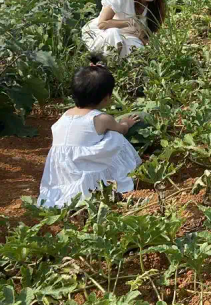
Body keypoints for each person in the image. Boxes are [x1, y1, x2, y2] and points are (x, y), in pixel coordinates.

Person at [38, 56, 142, 208]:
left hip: (60, 172)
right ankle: (117, 176)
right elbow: (122, 130)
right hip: (84, 169)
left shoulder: (65, 115)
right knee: (115, 137)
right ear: (106, 98)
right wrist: (126, 122)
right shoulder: (101, 118)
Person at [81, 0, 166, 58]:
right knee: (113, 33)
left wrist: (153, 50)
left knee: (137, 53)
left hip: (128, 36)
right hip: (100, 33)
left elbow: (143, 37)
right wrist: (131, 22)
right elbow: (102, 24)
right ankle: (104, 63)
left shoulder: (155, 6)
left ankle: (123, 62)